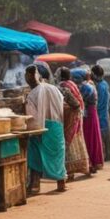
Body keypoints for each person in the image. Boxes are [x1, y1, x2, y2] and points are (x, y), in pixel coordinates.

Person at [25, 64, 68, 193]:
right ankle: (61, 184)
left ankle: (34, 185)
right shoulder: (54, 89)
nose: (26, 78)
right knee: (58, 155)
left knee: (35, 154)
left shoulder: (32, 94)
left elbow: (31, 116)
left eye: (27, 75)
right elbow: (62, 106)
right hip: (56, 127)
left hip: (41, 128)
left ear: (32, 76)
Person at [57, 67, 90, 179]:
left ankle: (70, 171)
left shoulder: (63, 86)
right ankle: (83, 167)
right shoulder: (72, 84)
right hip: (77, 116)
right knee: (78, 141)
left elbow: (73, 103)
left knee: (69, 143)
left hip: (70, 117)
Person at [73, 68, 104, 174]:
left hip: (88, 115)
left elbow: (79, 101)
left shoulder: (86, 87)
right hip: (91, 113)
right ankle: (93, 164)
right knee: (92, 138)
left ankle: (91, 163)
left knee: (89, 139)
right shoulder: (89, 85)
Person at [91, 65, 110, 161]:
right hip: (106, 111)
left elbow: (97, 101)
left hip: (99, 112)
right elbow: (109, 98)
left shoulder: (98, 86)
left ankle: (102, 155)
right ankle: (109, 154)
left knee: (100, 135)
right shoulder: (105, 83)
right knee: (108, 135)